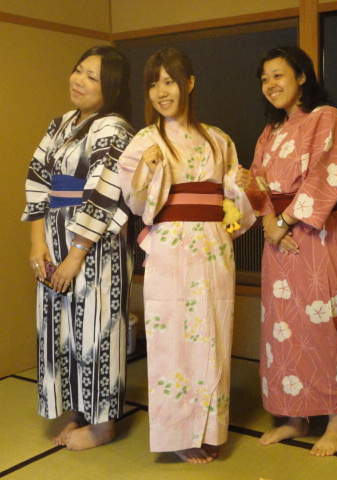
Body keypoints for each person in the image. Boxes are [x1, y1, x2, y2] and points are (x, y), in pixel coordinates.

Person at [117, 47, 255, 464]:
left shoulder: (218, 139)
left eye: (170, 81)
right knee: (172, 339)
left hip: (212, 247)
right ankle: (178, 433)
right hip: (170, 248)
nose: (162, 91)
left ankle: (211, 428)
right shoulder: (145, 140)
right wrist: (146, 168)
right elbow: (135, 202)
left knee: (214, 335)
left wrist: (242, 185)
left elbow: (236, 203)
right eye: (153, 84)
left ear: (190, 83)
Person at [239, 46, 337, 456]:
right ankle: (294, 417)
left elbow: (328, 175)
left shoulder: (329, 118)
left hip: (320, 236)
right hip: (278, 240)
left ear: (302, 76)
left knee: (324, 324)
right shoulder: (270, 133)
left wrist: (285, 221)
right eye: (264, 79)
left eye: (278, 75)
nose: (270, 85)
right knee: (284, 327)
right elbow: (257, 182)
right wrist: (269, 224)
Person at [21, 46, 134, 450]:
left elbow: (104, 195)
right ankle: (79, 411)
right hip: (54, 238)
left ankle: (104, 423)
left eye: (92, 77)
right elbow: (37, 180)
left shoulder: (114, 129)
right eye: (78, 70)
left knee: (96, 328)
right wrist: (37, 243)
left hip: (95, 248)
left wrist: (75, 255)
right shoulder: (62, 123)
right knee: (62, 329)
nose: (79, 80)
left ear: (112, 88)